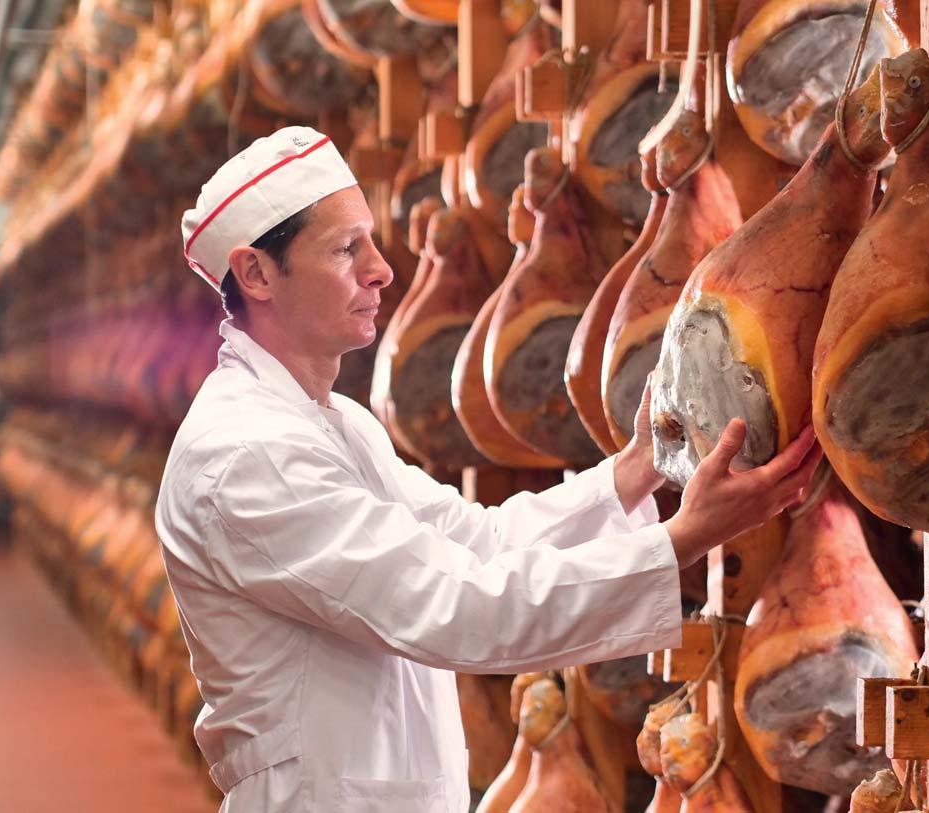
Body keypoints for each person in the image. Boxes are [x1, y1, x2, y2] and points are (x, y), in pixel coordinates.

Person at [156, 126, 814, 813]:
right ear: (257, 273)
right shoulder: (248, 454)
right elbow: (460, 605)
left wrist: (635, 470)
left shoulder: (334, 424)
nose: (380, 270)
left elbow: (478, 541)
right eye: (346, 248)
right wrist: (683, 538)